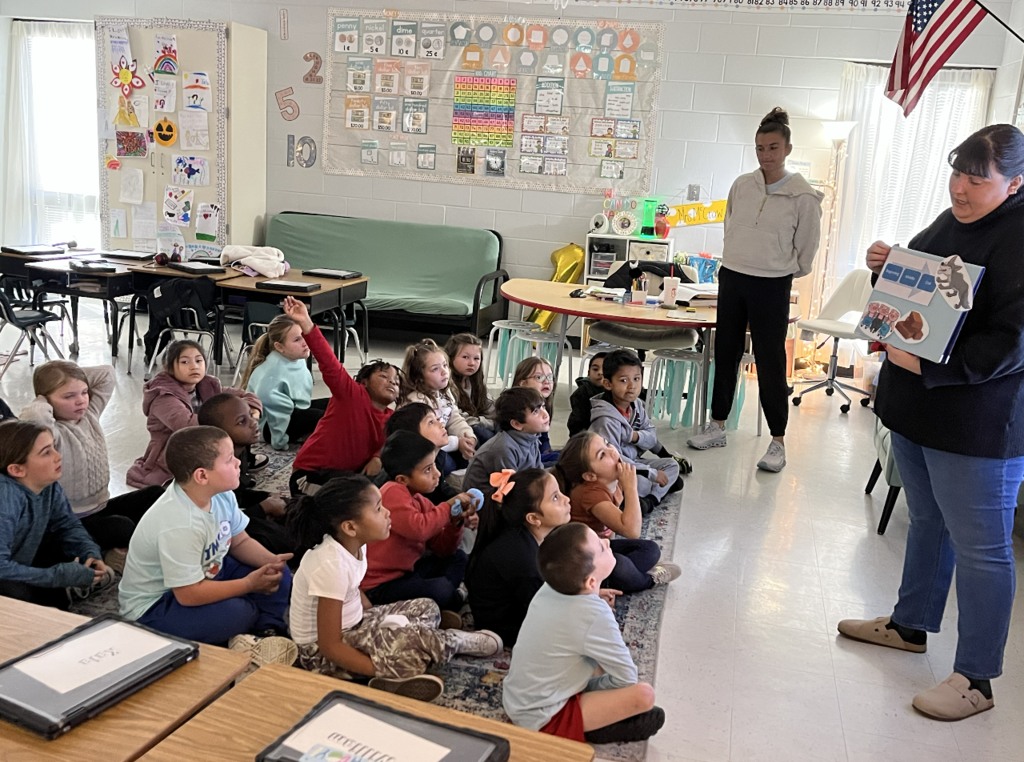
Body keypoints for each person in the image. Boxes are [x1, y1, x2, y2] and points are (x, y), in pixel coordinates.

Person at [837, 124, 1024, 721]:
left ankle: (976, 680)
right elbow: (921, 288)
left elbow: (1013, 341)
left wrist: (935, 366)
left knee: (982, 550)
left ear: (1015, 183)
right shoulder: (951, 221)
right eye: (957, 174)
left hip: (978, 426)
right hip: (919, 411)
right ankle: (910, 624)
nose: (960, 189)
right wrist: (885, 266)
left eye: (977, 179)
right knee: (928, 522)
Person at [686, 107, 823, 473]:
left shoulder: (803, 196)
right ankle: (717, 425)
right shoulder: (742, 185)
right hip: (734, 276)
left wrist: (780, 266)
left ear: (787, 148)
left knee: (770, 360)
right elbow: (730, 224)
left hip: (773, 283)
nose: (766, 155)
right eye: (760, 148)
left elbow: (807, 249)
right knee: (725, 351)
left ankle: (777, 441)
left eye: (773, 147)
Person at [288, 475, 502, 702]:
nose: (387, 512)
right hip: (319, 654)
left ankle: (421, 642)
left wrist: (376, 620)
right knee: (412, 645)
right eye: (378, 509)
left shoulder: (354, 545)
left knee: (427, 606)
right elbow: (330, 645)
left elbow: (354, 590)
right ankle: (448, 643)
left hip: (355, 624)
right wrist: (381, 669)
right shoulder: (330, 564)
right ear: (350, 527)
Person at [118, 426, 296, 665]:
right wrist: (247, 584)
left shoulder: (222, 493)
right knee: (240, 611)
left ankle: (267, 632)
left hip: (208, 571)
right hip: (157, 605)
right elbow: (188, 594)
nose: (238, 463)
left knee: (279, 576)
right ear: (202, 476)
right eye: (229, 459)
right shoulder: (179, 524)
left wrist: (272, 563)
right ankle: (247, 629)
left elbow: (240, 541)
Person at [503, 522, 665, 744]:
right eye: (600, 546)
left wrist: (594, 595)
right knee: (644, 697)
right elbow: (627, 679)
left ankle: (589, 715)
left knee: (593, 661)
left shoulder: (549, 587)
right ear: (590, 582)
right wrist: (595, 691)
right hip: (543, 718)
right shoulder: (595, 614)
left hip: (516, 700)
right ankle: (587, 729)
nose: (607, 541)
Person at [20, 361, 163, 571]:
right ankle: (109, 555)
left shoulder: (90, 414)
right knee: (122, 527)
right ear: (46, 401)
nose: (81, 400)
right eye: (69, 396)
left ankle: (124, 549)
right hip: (68, 522)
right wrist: (42, 394)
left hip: (98, 507)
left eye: (84, 392)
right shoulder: (50, 433)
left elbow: (107, 374)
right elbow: (34, 417)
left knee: (155, 494)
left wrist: (68, 378)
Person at [466, 468, 619, 647]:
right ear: (533, 518)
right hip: (506, 626)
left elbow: (549, 591)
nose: (566, 499)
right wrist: (586, 604)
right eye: (555, 497)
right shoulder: (523, 558)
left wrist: (586, 595)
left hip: (524, 603)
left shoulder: (530, 537)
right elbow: (545, 609)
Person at [284, 297, 399, 496]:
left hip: (347, 478)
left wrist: (377, 457)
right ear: (363, 382)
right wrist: (306, 323)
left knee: (390, 481)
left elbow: (395, 442)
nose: (392, 382)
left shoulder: (391, 418)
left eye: (396, 381)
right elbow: (328, 362)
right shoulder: (352, 394)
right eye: (383, 376)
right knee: (364, 495)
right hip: (310, 476)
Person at [362, 431, 478, 618]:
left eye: (434, 466)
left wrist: (455, 522)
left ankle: (444, 604)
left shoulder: (420, 500)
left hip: (407, 572)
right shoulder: (392, 491)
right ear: (402, 479)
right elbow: (420, 529)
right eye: (427, 470)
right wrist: (448, 508)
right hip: (380, 585)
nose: (437, 474)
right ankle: (452, 600)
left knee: (458, 557)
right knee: (440, 589)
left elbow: (442, 549)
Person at [0, 420, 114, 609]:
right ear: (17, 469)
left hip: (22, 558)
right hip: (5, 572)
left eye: (54, 447)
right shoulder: (5, 496)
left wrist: (89, 553)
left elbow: (67, 525)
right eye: (46, 452)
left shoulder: (47, 483)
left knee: (112, 529)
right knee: (18, 595)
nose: (58, 456)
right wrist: (57, 576)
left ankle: (71, 584)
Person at [555, 431, 680, 593]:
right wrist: (630, 488)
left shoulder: (612, 480)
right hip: (582, 560)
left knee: (651, 549)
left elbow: (610, 530)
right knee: (620, 565)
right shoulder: (590, 494)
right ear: (590, 476)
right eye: (602, 455)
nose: (612, 451)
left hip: (599, 547)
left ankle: (620, 577)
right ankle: (646, 580)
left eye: (607, 444)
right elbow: (632, 531)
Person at [127, 340, 263, 488]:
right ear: (170, 368)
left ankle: (240, 465)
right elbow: (186, 425)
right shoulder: (163, 395)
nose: (194, 366)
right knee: (232, 424)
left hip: (203, 440)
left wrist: (251, 413)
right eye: (185, 362)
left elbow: (244, 396)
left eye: (198, 360)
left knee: (239, 420)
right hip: (173, 450)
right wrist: (234, 420)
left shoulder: (208, 385)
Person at [198, 394, 296, 559]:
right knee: (276, 537)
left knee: (290, 506)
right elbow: (219, 522)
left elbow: (239, 494)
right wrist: (262, 508)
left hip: (238, 511)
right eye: (242, 422)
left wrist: (267, 497)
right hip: (215, 529)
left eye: (251, 415)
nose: (253, 422)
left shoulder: (241, 452)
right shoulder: (211, 471)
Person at [588, 350, 681, 510]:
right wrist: (651, 473)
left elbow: (652, 437)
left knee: (672, 465)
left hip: (635, 463)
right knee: (643, 482)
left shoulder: (636, 405)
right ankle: (653, 493)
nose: (632, 386)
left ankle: (650, 500)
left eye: (636, 379)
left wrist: (635, 436)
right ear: (608, 384)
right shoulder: (605, 420)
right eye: (624, 380)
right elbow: (614, 460)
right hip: (615, 469)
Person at [240, 313, 328, 450]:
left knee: (336, 404)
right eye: (297, 339)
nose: (305, 342)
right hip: (270, 426)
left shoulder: (295, 357)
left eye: (304, 335)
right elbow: (275, 413)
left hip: (289, 412)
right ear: (280, 347)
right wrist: (280, 441)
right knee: (325, 417)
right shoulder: (273, 372)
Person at [400, 338, 477, 469]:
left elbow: (454, 419)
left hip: (444, 442)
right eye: (435, 369)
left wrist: (467, 436)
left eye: (445, 365)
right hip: (424, 450)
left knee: (474, 444)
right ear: (419, 377)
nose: (444, 371)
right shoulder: (416, 402)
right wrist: (457, 443)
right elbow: (425, 439)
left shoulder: (444, 393)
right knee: (444, 461)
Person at [462, 387, 547, 503]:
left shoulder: (532, 438)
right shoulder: (504, 448)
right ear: (517, 424)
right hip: (485, 506)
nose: (545, 414)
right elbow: (511, 493)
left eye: (543, 407)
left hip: (515, 496)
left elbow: (539, 477)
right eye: (536, 411)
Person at [373, 403, 461, 504]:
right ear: (412, 438)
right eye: (431, 422)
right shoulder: (396, 479)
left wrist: (462, 501)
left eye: (437, 419)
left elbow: (441, 490)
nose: (441, 425)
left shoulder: (438, 457)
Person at [445, 333, 497, 445]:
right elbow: (456, 417)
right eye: (465, 357)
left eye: (476, 358)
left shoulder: (475, 382)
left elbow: (490, 407)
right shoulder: (445, 384)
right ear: (451, 358)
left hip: (478, 423)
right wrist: (485, 422)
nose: (471, 363)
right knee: (482, 433)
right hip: (458, 431)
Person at [512, 357, 559, 464]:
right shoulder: (515, 407)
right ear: (523, 383)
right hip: (523, 460)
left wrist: (547, 452)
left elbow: (544, 437)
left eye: (550, 377)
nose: (547, 381)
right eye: (539, 377)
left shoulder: (543, 404)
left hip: (535, 454)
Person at [567, 352, 608, 437]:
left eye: (605, 369)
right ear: (588, 373)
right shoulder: (581, 394)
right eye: (595, 369)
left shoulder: (617, 392)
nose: (600, 373)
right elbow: (576, 426)